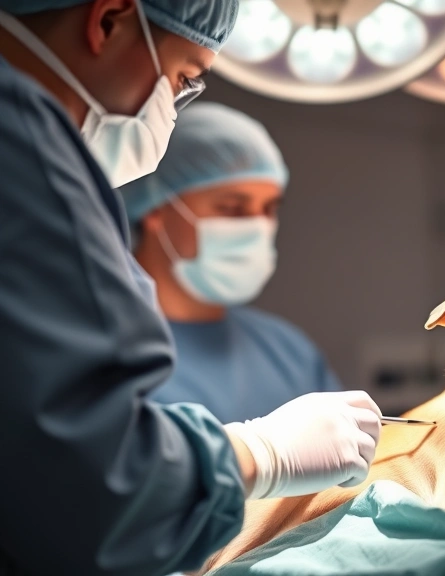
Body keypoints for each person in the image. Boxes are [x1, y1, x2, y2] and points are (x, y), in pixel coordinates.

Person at [0, 2, 381, 574]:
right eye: (183, 77)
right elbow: (94, 499)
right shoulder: (22, 143)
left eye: (269, 209)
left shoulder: (281, 347)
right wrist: (265, 453)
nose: (256, 226)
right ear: (108, 19)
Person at [119, 102, 342, 424]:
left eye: (269, 209)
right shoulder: (101, 349)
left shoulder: (289, 353)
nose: (257, 226)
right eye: (232, 208)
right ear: (156, 208)